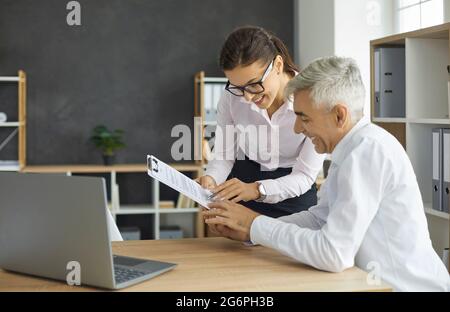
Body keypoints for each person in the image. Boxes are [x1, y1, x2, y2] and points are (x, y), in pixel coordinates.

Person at [203, 56, 450, 291]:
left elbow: (334, 254)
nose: (298, 129)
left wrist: (254, 225)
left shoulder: (367, 151)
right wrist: (249, 232)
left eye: (304, 118)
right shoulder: (351, 149)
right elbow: (318, 219)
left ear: (339, 115)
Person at [198, 26, 325, 218]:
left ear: (278, 66)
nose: (247, 97)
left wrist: (258, 190)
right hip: (243, 185)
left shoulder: (312, 99)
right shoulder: (231, 97)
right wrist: (211, 178)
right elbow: (224, 154)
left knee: (290, 245)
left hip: (294, 189)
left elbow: (305, 176)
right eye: (238, 87)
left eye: (254, 84)